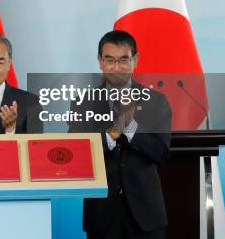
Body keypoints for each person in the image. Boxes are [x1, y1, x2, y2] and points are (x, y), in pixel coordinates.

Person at [69, 30, 172, 239]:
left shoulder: (156, 101)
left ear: (135, 60)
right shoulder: (83, 102)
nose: (116, 67)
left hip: (146, 216)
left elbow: (161, 152)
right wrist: (113, 133)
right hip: (102, 215)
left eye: (124, 60)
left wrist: (130, 127)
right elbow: (78, 151)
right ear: (100, 61)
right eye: (110, 60)